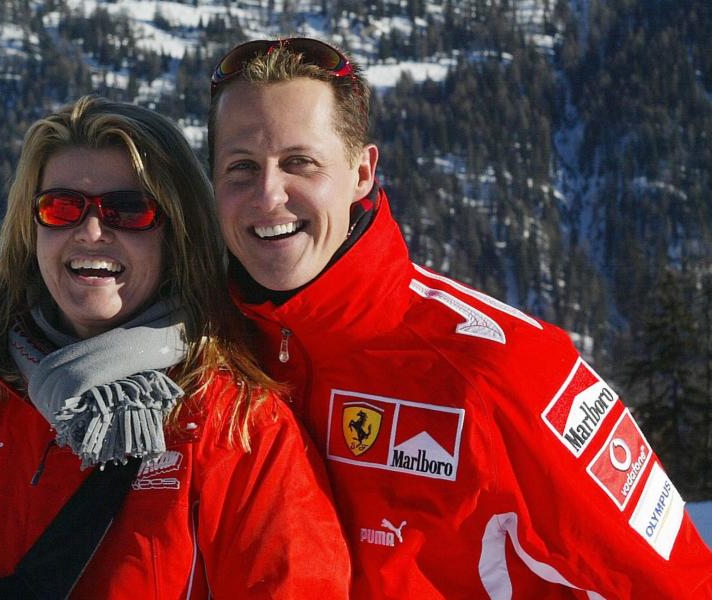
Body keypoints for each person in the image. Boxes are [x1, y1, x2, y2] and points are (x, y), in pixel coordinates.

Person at [207, 37, 712, 598]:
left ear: (361, 172)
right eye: (241, 167)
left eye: (299, 162)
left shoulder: (502, 367)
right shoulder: (209, 347)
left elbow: (681, 583)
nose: (268, 193)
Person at [0, 95, 351, 599]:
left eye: (128, 211)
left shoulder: (236, 429)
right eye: (60, 208)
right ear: (31, 229)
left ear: (178, 237)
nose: (89, 232)